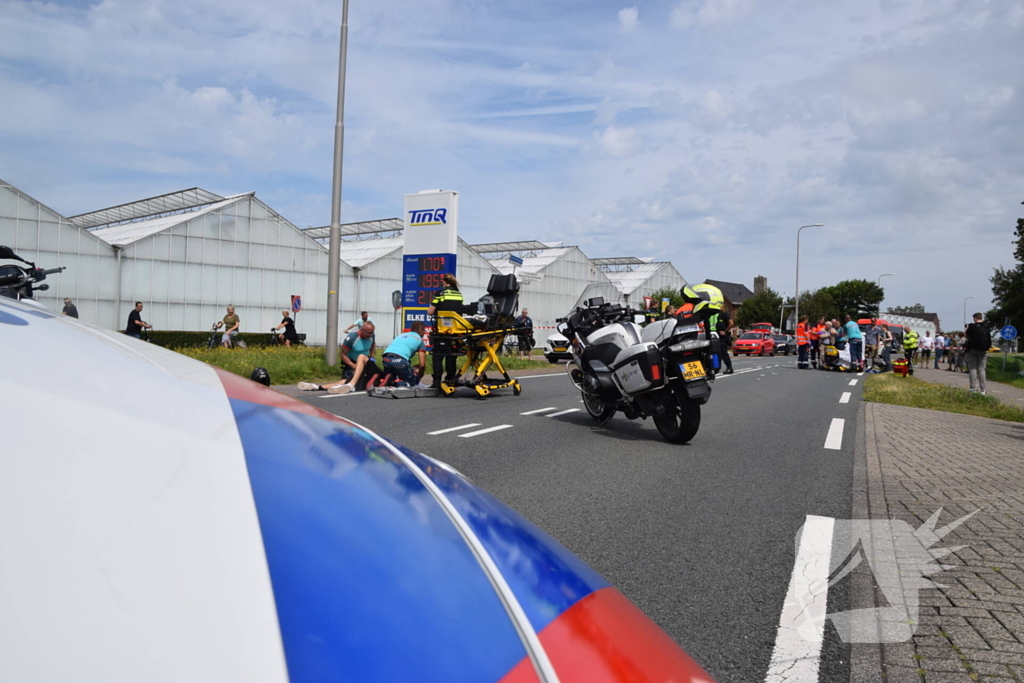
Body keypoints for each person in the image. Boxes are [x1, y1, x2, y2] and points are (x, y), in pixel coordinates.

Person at [298, 322, 379, 394]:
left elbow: (373, 344)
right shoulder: (352, 338)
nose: (369, 335)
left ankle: (348, 385)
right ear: (362, 330)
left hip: (365, 363)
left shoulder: (372, 336)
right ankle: (317, 387)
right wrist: (354, 366)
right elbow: (343, 355)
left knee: (362, 361)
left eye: (371, 333)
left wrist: (371, 356)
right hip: (352, 364)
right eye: (368, 333)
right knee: (346, 381)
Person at [426, 274, 464, 391]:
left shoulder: (440, 294)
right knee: (451, 356)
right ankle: (450, 379)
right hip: (455, 330)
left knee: (437, 356)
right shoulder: (459, 294)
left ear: (443, 282)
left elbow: (430, 312)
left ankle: (437, 381)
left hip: (442, 330)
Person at [382, 321, 428, 387]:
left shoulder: (401, 335)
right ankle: (394, 383)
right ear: (421, 330)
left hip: (386, 358)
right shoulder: (419, 340)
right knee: (412, 384)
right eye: (424, 330)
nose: (424, 332)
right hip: (400, 360)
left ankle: (389, 379)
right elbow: (422, 365)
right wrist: (418, 378)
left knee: (395, 374)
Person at [964, 313, 991, 394]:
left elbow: (966, 335)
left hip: (973, 350)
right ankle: (983, 390)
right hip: (983, 350)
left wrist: (966, 328)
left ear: (975, 318)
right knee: (982, 370)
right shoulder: (986, 326)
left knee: (973, 368)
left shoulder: (972, 326)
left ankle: (973, 388)